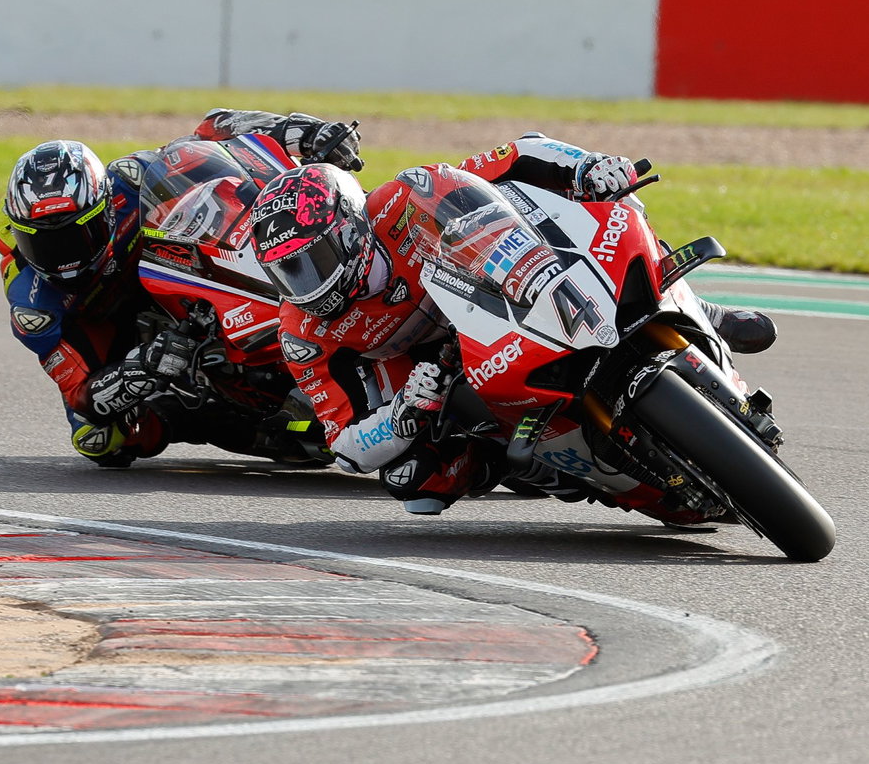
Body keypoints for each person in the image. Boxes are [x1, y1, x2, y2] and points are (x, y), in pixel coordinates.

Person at [248, 134, 776, 515]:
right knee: (415, 485)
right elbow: (344, 444)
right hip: (435, 366)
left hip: (500, 280)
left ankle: (693, 307)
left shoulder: (408, 196)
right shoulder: (302, 330)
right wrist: (406, 412)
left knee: (608, 204)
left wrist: (586, 168)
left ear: (349, 228)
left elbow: (519, 154)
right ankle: (539, 465)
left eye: (311, 261)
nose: (304, 283)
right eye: (286, 270)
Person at [0, 109, 362, 469]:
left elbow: (214, 130)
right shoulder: (34, 303)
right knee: (98, 439)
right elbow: (82, 396)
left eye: (74, 237)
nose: (62, 258)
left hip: (167, 280)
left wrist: (305, 132)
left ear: (103, 211)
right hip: (109, 328)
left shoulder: (127, 182)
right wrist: (142, 366)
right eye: (45, 245)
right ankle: (236, 420)